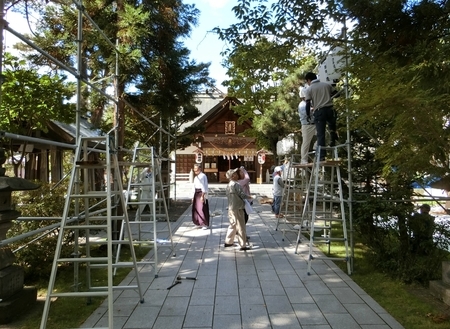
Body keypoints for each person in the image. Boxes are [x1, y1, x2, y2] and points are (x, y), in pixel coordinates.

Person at [304, 72, 338, 161]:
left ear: (308, 80)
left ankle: (322, 156)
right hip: (330, 109)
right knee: (332, 128)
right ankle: (333, 141)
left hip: (319, 111)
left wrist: (308, 115)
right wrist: (328, 96)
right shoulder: (326, 85)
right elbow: (337, 94)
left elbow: (307, 103)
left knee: (320, 134)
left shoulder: (309, 89)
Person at [224, 168, 252, 251]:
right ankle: (243, 244)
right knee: (241, 226)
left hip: (231, 207)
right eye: (235, 174)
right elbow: (242, 195)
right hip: (238, 208)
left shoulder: (228, 185)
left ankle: (228, 241)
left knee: (232, 224)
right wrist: (250, 197)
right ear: (232, 176)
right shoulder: (236, 185)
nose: (237, 175)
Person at [298, 87, 317, 164]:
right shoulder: (302, 105)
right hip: (307, 125)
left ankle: (316, 146)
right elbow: (306, 113)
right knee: (306, 143)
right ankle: (303, 160)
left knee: (324, 135)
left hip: (314, 124)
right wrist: (313, 109)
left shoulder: (311, 103)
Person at [192, 164, 210, 229]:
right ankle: (198, 222)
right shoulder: (196, 177)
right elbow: (193, 187)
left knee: (202, 208)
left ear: (200, 169)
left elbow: (203, 186)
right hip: (196, 193)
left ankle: (204, 223)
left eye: (196, 169)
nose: (195, 170)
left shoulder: (203, 176)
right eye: (194, 169)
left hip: (201, 193)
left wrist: (203, 195)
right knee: (196, 208)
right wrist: (192, 196)